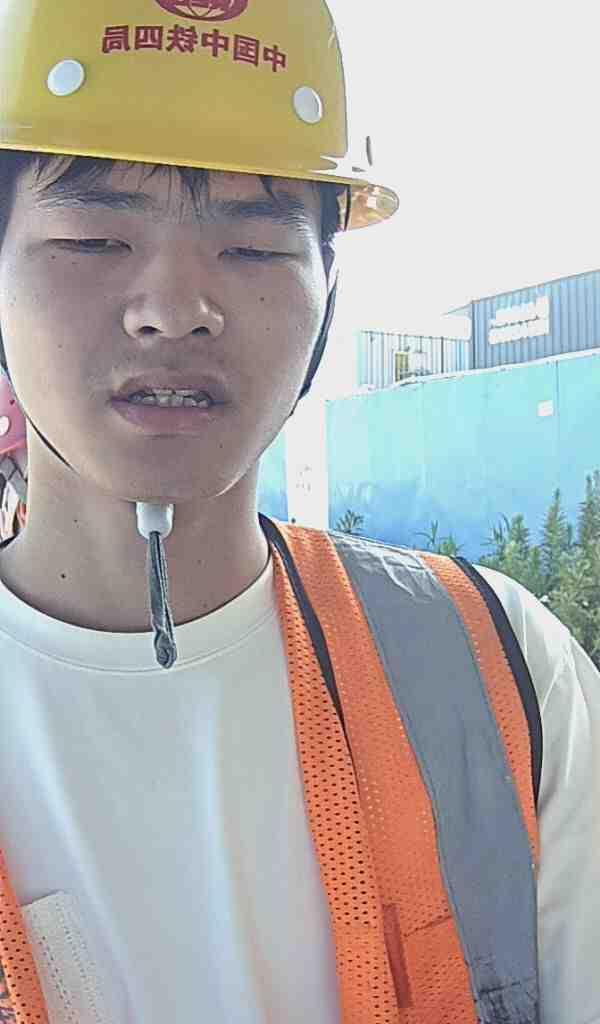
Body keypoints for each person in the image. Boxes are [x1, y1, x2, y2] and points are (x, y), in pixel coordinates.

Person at [0, 1, 598, 1022]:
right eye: (94, 238)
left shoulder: (498, 675)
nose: (176, 308)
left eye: (253, 249)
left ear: (330, 287)